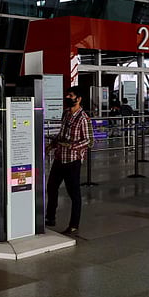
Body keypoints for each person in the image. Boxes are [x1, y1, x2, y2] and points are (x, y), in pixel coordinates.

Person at [45, 86, 94, 235]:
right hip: (60, 158)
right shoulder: (66, 113)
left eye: (71, 95)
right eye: (67, 95)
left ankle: (74, 225)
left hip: (73, 161)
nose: (68, 97)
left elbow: (89, 141)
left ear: (78, 99)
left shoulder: (84, 118)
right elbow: (62, 133)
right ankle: (50, 217)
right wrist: (52, 145)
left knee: (74, 194)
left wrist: (72, 146)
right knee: (51, 187)